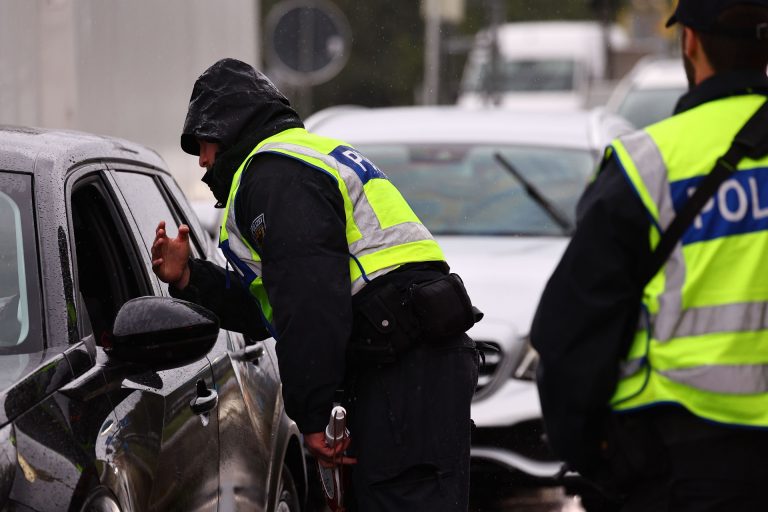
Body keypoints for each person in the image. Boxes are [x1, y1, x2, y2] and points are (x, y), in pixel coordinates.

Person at [151, 58, 480, 511]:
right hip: (414, 365)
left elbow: (310, 303)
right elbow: (275, 305)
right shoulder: (298, 161)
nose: (204, 162)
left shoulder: (275, 174)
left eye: (204, 145)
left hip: (401, 372)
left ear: (229, 128)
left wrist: (314, 413)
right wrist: (191, 277)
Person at [530, 1, 768, 510]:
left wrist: (587, 453)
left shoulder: (650, 164)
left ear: (690, 44)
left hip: (688, 458)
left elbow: (572, 330)